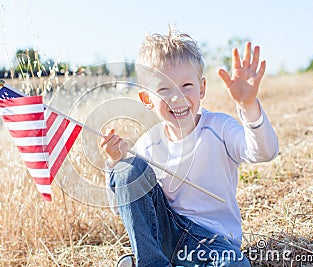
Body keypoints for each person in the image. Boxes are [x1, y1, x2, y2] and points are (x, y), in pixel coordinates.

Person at [99, 28, 278, 267]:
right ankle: (152, 262)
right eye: (164, 89)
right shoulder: (148, 146)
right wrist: (115, 164)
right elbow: (123, 208)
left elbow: (265, 152)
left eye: (186, 85)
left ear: (202, 88)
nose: (177, 97)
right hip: (167, 234)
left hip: (214, 244)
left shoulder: (219, 127)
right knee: (129, 169)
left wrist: (248, 106)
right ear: (146, 99)